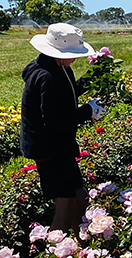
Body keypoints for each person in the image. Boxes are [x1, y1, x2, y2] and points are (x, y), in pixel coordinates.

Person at [20, 23, 106, 232]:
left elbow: (67, 94)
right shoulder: (47, 77)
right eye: (72, 53)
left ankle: (83, 234)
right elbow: (54, 121)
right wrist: (87, 111)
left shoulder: (58, 68)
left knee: (78, 193)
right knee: (65, 200)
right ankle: (58, 247)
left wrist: (95, 75)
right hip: (49, 149)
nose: (75, 58)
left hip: (60, 146)